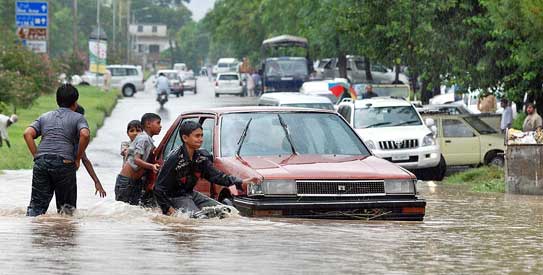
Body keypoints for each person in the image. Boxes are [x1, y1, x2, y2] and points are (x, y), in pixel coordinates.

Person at [154, 121, 261, 217]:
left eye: (202, 136)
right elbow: (158, 188)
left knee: (227, 212)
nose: (201, 139)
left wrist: (241, 182)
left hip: (191, 194)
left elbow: (217, 176)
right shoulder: (175, 158)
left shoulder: (200, 157)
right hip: (175, 197)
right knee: (198, 219)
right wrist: (168, 208)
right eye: (197, 136)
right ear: (185, 138)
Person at [23, 84, 90, 216]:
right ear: (75, 103)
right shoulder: (78, 118)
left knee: (36, 209)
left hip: (41, 162)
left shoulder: (45, 116)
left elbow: (27, 134)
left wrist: (37, 156)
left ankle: (33, 234)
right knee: (66, 211)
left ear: (57, 100)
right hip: (65, 163)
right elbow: (85, 135)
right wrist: (77, 158)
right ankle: (64, 236)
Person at [115, 113, 161, 205]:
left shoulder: (148, 140)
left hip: (134, 182)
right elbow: (136, 160)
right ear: (148, 124)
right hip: (126, 182)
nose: (160, 126)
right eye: (158, 123)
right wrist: (152, 166)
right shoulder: (143, 139)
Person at [74, 105, 107, 198]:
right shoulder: (76, 133)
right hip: (65, 171)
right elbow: (84, 159)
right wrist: (97, 182)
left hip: (43, 164)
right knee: (68, 207)